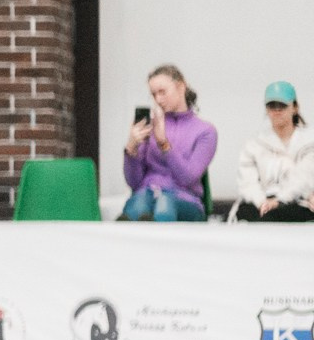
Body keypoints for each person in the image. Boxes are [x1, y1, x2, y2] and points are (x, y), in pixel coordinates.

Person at [120, 64, 216, 221]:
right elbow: (134, 183)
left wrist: (164, 144)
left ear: (181, 87)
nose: (158, 99)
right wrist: (131, 149)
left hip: (185, 200)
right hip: (148, 194)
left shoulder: (205, 131)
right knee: (138, 203)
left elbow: (188, 178)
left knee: (164, 204)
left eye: (162, 92)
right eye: (153, 94)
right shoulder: (151, 125)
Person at [232, 81, 314, 223]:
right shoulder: (254, 144)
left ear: (295, 107)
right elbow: (247, 181)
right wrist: (261, 202)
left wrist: (280, 200)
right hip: (261, 204)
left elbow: (303, 178)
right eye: (272, 106)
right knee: (248, 215)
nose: (277, 111)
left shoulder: (308, 142)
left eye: (282, 105)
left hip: (300, 203)